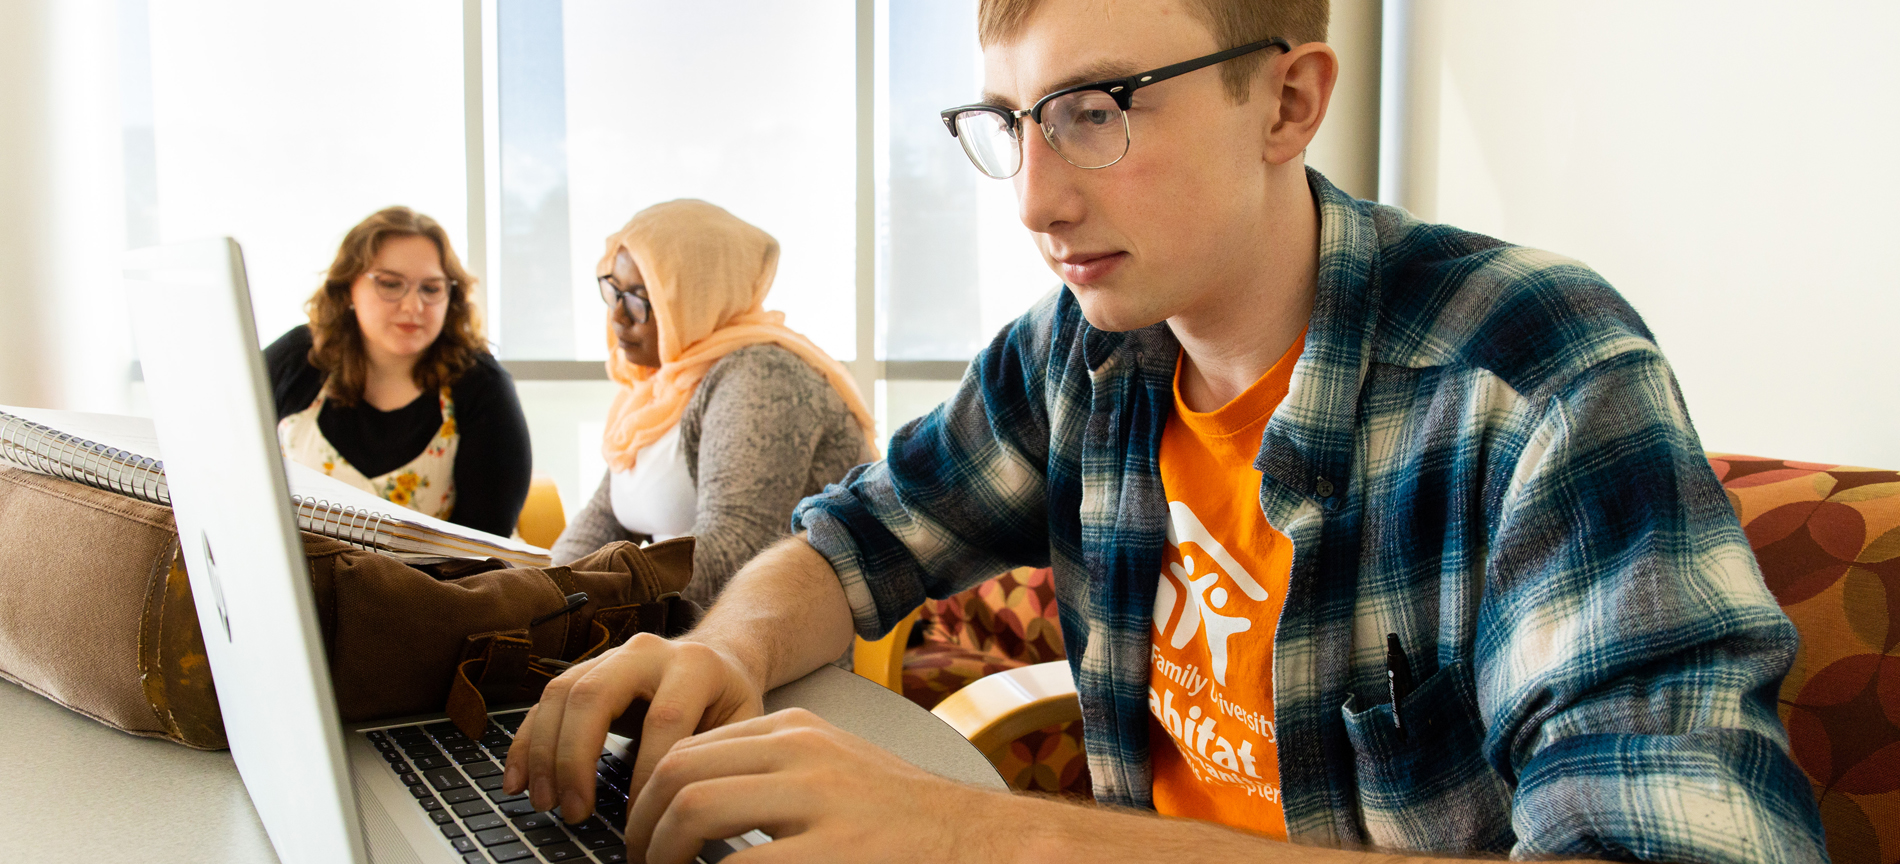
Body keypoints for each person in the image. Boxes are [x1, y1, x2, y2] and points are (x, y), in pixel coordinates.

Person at [502, 1, 1828, 861]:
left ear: (1289, 105)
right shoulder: (1083, 351)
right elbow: (853, 546)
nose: (1032, 199)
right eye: (1012, 122)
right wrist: (725, 649)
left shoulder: (1533, 371)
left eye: (1097, 110)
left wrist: (989, 839)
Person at [549, 199, 877, 607]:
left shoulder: (763, 377)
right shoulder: (662, 386)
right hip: (684, 631)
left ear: (697, 298)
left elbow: (731, 556)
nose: (618, 317)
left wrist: (578, 599)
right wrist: (542, 592)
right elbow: (603, 519)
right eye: (612, 289)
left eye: (639, 297)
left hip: (772, 647)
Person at [266, 206, 531, 539]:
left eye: (431, 289)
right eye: (391, 284)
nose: (413, 307)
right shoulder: (298, 357)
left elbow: (485, 547)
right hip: (302, 585)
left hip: (434, 589)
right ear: (349, 286)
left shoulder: (481, 385)